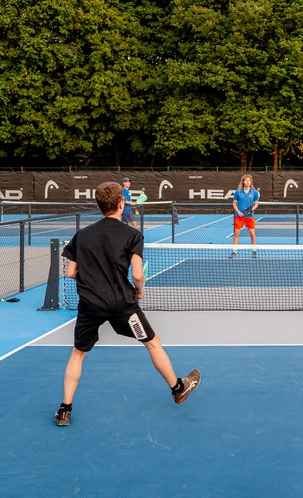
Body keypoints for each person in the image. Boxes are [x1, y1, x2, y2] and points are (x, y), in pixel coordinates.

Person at [56, 181, 200, 427]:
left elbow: (70, 272)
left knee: (78, 354)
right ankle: (178, 388)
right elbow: (136, 274)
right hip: (122, 304)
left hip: (90, 305)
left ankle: (65, 410)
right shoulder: (132, 235)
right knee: (152, 344)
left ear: (99, 206)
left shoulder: (82, 235)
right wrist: (140, 291)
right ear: (121, 204)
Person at [231, 174, 260, 258]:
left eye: (249, 180)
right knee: (236, 233)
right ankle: (234, 252)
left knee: (252, 233)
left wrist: (250, 210)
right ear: (243, 182)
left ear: (251, 182)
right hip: (239, 216)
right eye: (246, 180)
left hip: (250, 216)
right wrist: (239, 212)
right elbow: (234, 203)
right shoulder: (238, 191)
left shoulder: (254, 192)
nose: (247, 182)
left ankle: (254, 251)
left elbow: (256, 203)